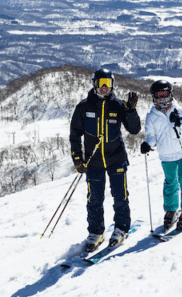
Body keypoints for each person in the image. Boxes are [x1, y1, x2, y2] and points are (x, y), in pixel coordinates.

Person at [70, 67, 141, 250]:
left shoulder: (118, 105)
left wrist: (131, 112)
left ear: (112, 85)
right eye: (100, 84)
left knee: (120, 196)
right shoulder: (84, 107)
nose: (104, 87)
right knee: (94, 199)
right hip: (93, 161)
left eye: (107, 84)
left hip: (116, 158)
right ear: (94, 84)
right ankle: (96, 232)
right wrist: (78, 158)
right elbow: (75, 134)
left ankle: (121, 228)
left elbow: (134, 130)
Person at [140, 80, 182, 230]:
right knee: (170, 182)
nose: (162, 98)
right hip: (166, 155)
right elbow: (151, 136)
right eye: (159, 95)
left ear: (170, 94)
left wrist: (180, 122)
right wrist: (148, 144)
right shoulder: (152, 116)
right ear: (154, 96)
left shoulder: (179, 111)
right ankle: (171, 210)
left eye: (164, 94)